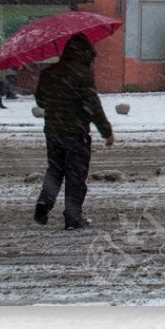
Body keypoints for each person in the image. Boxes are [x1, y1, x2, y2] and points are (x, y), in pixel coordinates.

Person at [32, 33, 115, 230]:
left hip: (53, 131)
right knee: (76, 176)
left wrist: (57, 100)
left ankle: (45, 201)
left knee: (55, 170)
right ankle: (72, 218)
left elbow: (40, 101)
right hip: (76, 133)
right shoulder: (82, 74)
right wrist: (106, 131)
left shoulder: (49, 72)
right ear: (84, 53)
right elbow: (93, 105)